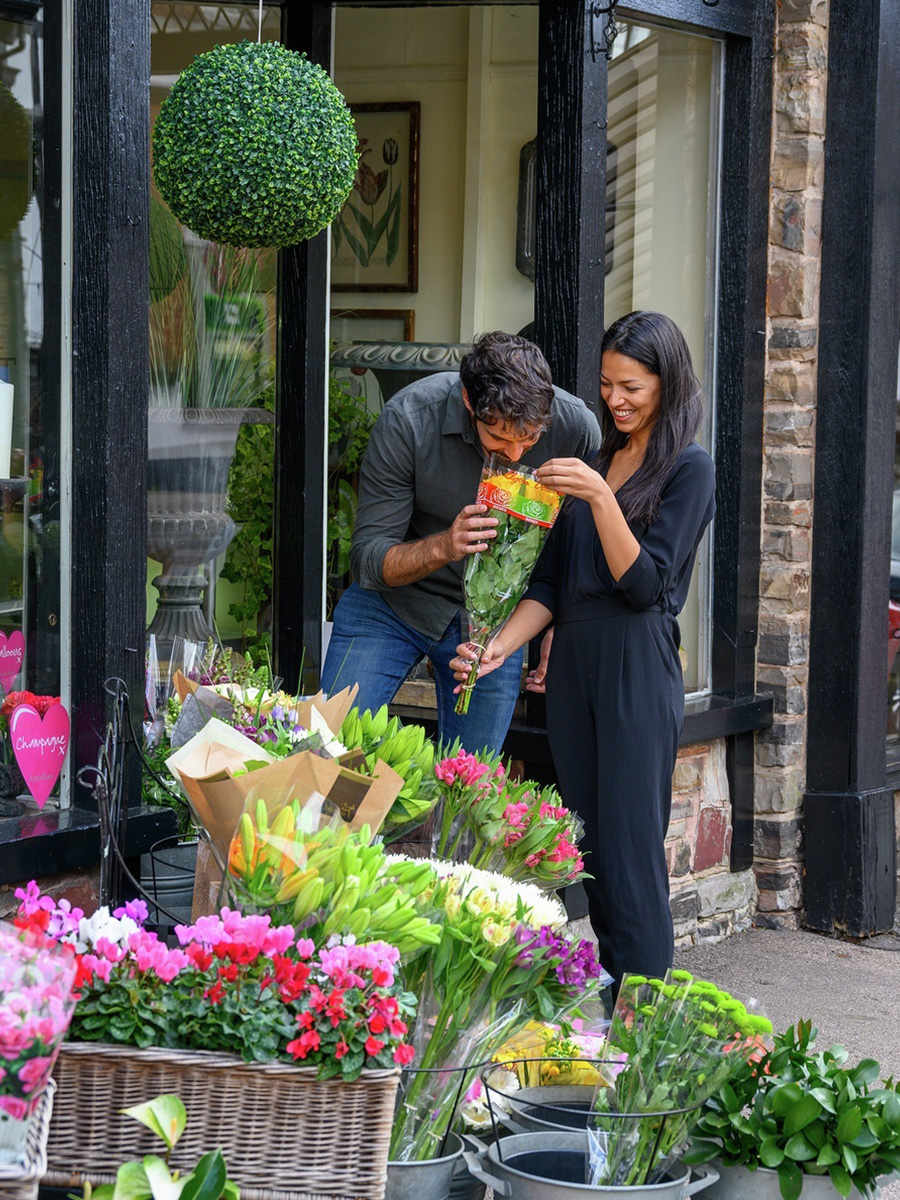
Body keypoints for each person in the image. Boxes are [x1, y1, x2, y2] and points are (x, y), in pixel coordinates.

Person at [451, 311, 716, 984]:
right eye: (606, 384)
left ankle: (645, 1011)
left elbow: (646, 583)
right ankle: (614, 999)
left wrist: (600, 498)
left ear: (666, 383)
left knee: (631, 855)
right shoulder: (597, 462)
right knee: (592, 853)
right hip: (573, 669)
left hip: (635, 666)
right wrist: (496, 647)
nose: (615, 400)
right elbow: (549, 587)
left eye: (632, 387)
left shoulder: (688, 468)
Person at [320, 331, 602, 753]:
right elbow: (367, 559)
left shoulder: (575, 427)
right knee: (328, 747)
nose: (515, 452)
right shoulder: (409, 419)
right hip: (393, 606)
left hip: (497, 624)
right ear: (469, 402)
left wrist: (560, 625)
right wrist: (444, 546)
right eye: (499, 438)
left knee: (471, 776)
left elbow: (582, 543)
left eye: (529, 438)